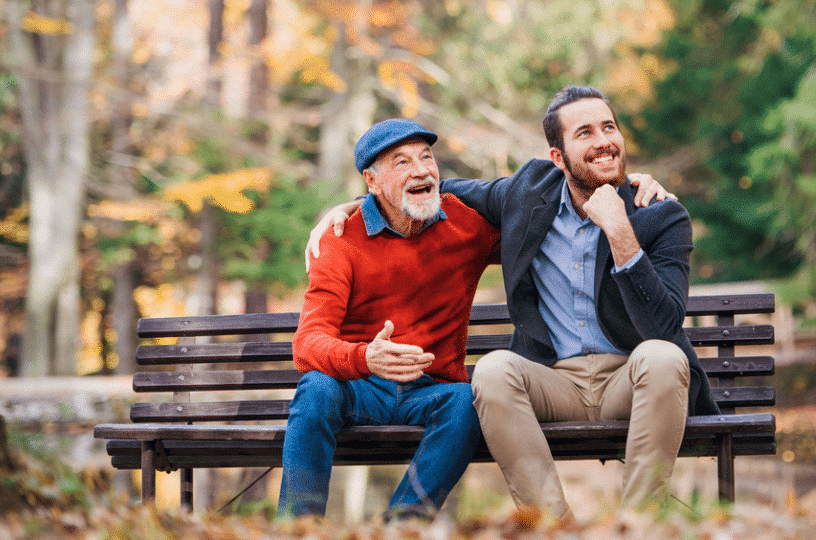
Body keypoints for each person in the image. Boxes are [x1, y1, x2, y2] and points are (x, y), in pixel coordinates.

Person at [307, 86, 716, 520]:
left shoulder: (659, 214)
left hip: (632, 378)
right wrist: (354, 205)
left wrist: (620, 232)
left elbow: (664, 325)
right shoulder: (526, 193)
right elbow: (427, 188)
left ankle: (639, 524)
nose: (602, 141)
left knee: (664, 356)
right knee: (493, 369)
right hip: (554, 382)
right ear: (557, 158)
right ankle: (552, 526)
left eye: (609, 127)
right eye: (584, 133)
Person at [279, 118, 499, 520]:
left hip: (430, 390)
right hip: (358, 387)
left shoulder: (467, 225)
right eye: (401, 162)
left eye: (427, 157)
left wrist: (626, 186)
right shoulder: (340, 239)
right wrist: (365, 358)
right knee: (316, 389)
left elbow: (540, 220)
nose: (421, 169)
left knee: (467, 402)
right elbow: (307, 343)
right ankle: (297, 526)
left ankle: (402, 527)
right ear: (372, 181)